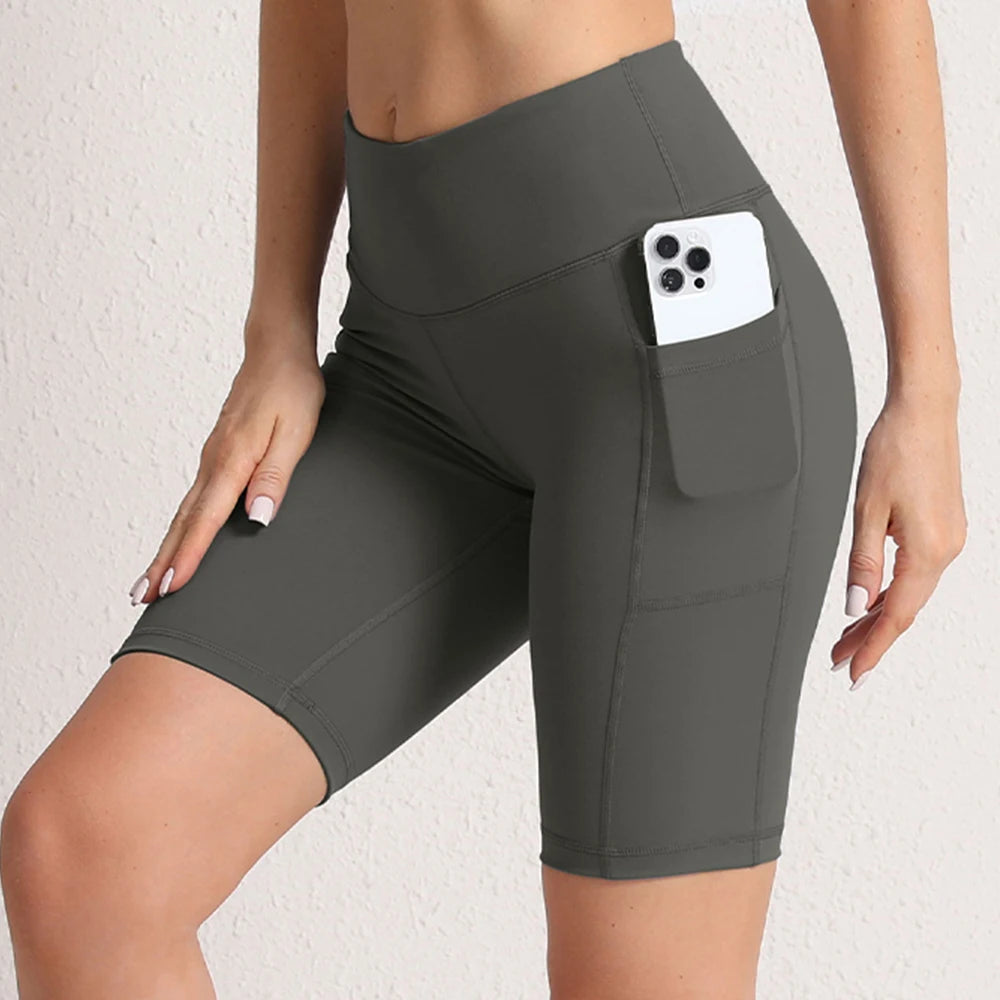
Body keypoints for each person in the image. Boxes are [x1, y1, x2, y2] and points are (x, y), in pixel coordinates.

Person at [1, 0, 966, 996]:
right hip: (402, 361)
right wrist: (277, 326)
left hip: (660, 352)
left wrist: (926, 393)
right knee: (85, 857)